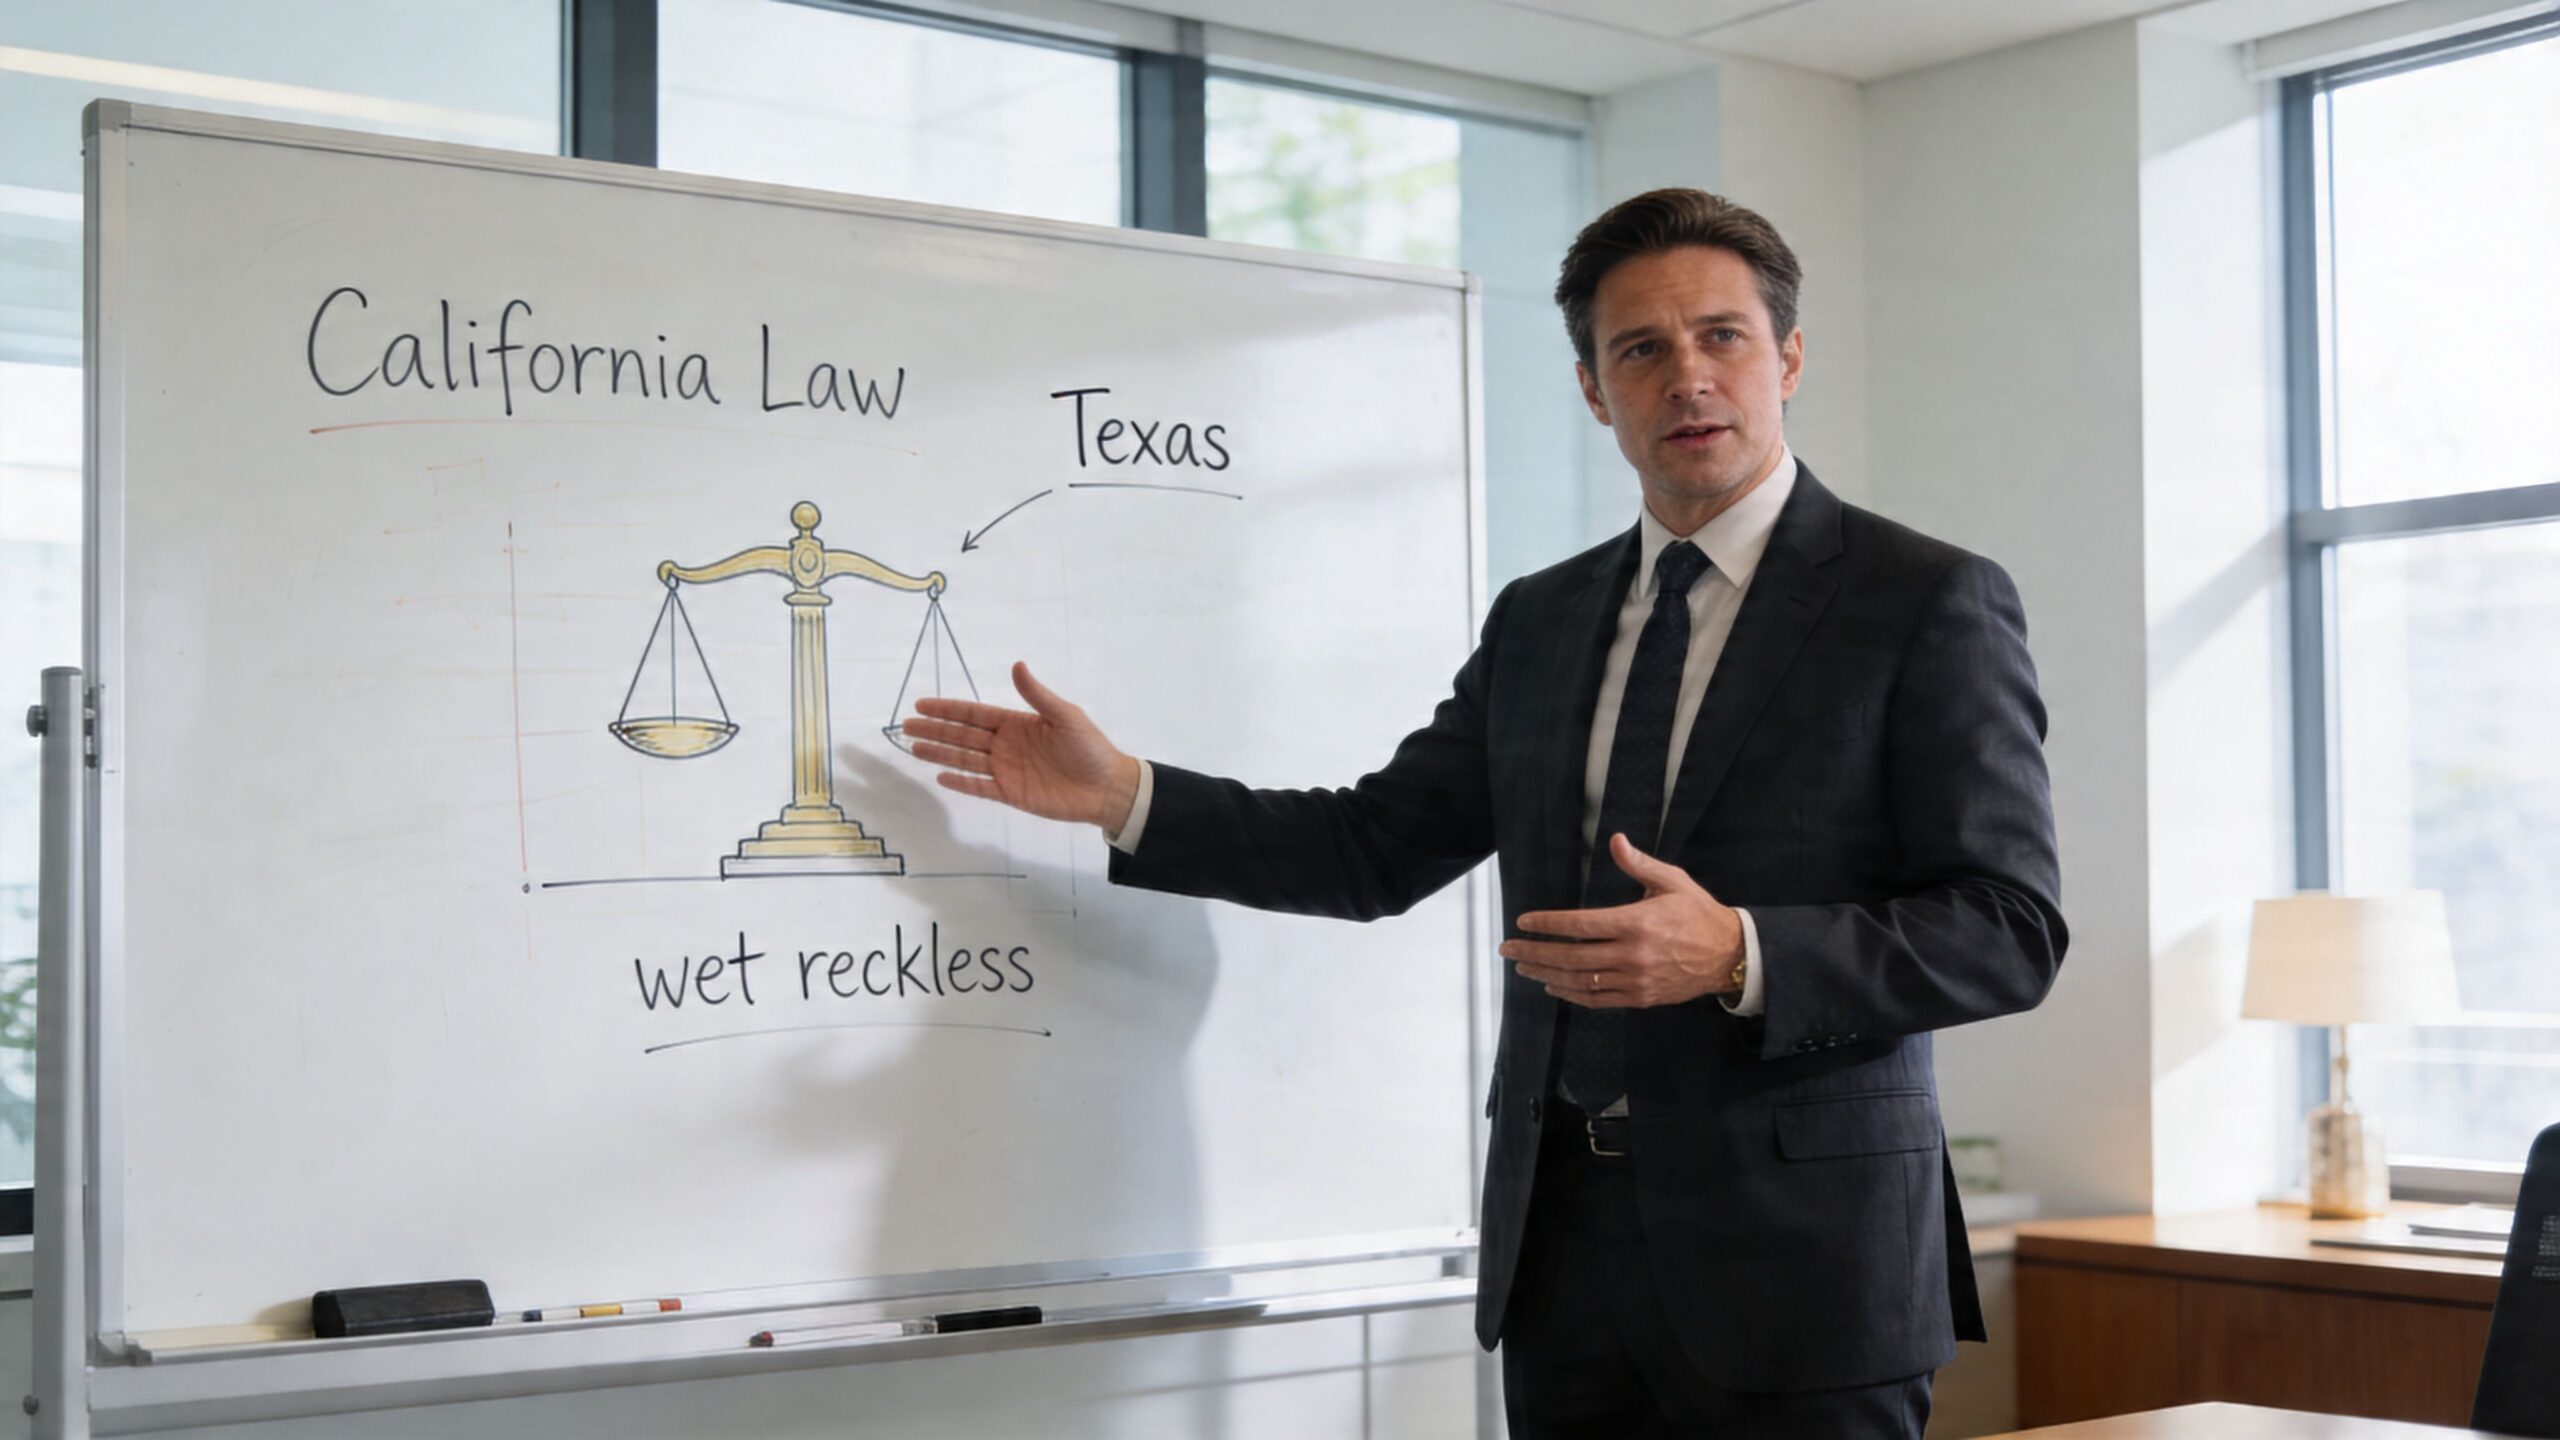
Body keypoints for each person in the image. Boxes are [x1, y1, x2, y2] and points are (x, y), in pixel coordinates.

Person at [904, 188, 2066, 1439]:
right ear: (1592, 390)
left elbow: (2007, 929)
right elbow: (1373, 847)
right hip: (1562, 1257)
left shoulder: (1924, 600)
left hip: (1807, 1271)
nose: (1686, 377)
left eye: (1721, 337)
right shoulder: (1542, 618)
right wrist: (1124, 793)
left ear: (1786, 358)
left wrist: (1738, 952)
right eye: (1641, 349)